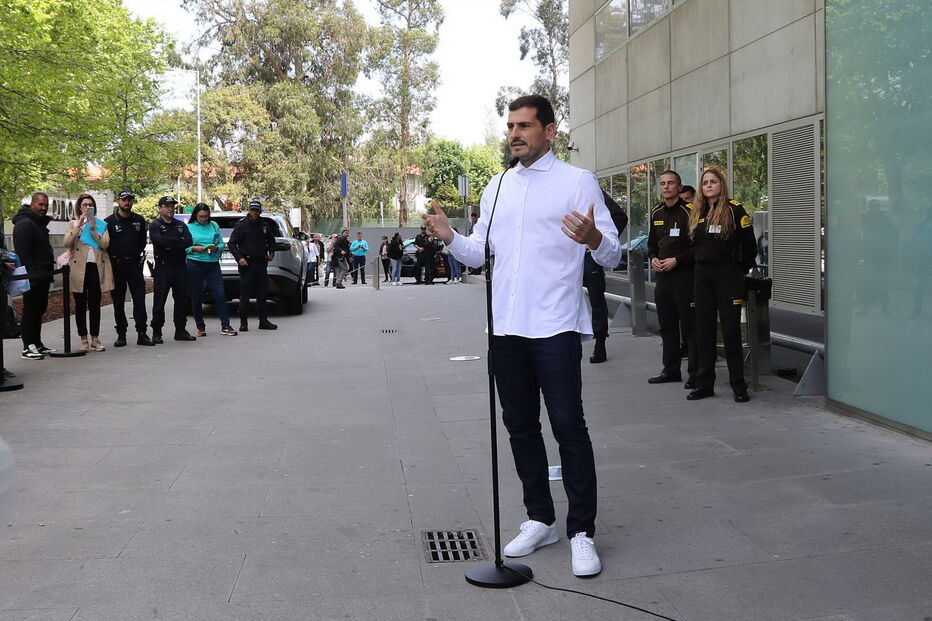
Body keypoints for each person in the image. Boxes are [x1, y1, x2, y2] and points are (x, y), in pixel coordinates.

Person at [422, 95, 621, 577]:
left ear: (549, 132)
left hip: (553, 327)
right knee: (519, 427)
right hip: (505, 330)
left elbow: (612, 254)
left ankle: (581, 532)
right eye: (511, 126)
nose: (514, 134)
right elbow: (477, 255)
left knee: (568, 428)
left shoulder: (578, 182)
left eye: (525, 126)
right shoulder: (498, 185)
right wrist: (450, 236)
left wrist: (593, 239)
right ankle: (540, 518)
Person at [687, 166, 757, 403]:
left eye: (713, 181)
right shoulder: (697, 211)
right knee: (703, 330)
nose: (708, 185)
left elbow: (750, 246)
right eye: (705, 182)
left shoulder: (734, 210)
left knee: (730, 331)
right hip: (702, 277)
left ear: (721, 184)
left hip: (727, 277)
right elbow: (692, 246)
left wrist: (739, 270)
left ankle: (738, 385)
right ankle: (705, 383)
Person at [646, 171, 697, 387]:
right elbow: (651, 245)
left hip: (684, 277)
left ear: (679, 187)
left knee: (690, 328)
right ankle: (671, 369)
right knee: (667, 327)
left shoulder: (690, 212)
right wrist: (653, 258)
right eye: (663, 183)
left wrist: (677, 260)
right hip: (663, 278)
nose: (666, 187)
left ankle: (696, 374)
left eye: (671, 183)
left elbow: (699, 246)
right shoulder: (656, 213)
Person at [63, 194, 114, 352]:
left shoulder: (100, 224)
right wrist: (79, 225)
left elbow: (105, 244)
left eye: (90, 205)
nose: (87, 207)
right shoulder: (73, 223)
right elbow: (66, 242)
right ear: (79, 206)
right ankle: (83, 338)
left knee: (94, 304)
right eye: (84, 204)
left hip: (95, 267)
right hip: (79, 268)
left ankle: (95, 338)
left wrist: (92, 230)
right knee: (80, 304)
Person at [105, 190, 154, 347]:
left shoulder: (139, 220)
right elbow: (105, 244)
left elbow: (141, 242)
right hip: (116, 265)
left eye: (129, 200)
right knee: (118, 302)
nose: (127, 203)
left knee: (139, 299)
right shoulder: (109, 222)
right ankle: (121, 334)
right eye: (124, 200)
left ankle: (142, 333)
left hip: (134, 265)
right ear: (118, 202)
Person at [584, 190, 627, 363]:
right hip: (564, 258)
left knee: (596, 300)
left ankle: (600, 344)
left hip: (590, 256)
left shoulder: (593, 192)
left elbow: (620, 217)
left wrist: (598, 241)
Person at [12, 193, 56, 360]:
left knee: (39, 310)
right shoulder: (25, 224)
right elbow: (23, 253)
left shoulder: (37, 223)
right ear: (32, 204)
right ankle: (27, 346)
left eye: (45, 205)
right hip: (33, 276)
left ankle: (36, 343)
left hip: (42, 275)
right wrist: (31, 275)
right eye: (40, 204)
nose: (43, 208)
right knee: (30, 310)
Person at [149, 196, 195, 343]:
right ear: (160, 208)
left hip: (180, 267)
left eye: (172, 206)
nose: (170, 209)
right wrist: (177, 241)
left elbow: (188, 241)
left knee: (181, 301)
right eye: (167, 206)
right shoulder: (155, 225)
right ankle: (157, 332)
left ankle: (180, 330)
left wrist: (170, 242)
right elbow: (159, 241)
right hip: (163, 267)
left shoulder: (181, 225)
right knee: (159, 301)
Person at [186, 203, 237, 337]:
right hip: (195, 263)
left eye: (206, 216)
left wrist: (216, 248)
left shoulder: (214, 225)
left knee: (220, 294)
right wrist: (193, 248)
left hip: (212, 263)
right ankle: (200, 326)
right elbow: (183, 247)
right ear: (195, 216)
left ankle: (225, 325)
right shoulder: (189, 227)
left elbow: (220, 243)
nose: (204, 219)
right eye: (201, 217)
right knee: (196, 296)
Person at [227, 199, 277, 330]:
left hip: (261, 263)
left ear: (260, 211)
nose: (255, 212)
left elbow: (272, 241)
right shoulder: (241, 225)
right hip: (247, 265)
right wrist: (240, 258)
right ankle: (243, 323)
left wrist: (271, 253)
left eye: (257, 210)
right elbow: (231, 243)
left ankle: (263, 321)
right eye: (252, 210)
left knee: (262, 294)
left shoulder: (264, 225)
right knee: (245, 295)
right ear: (249, 210)